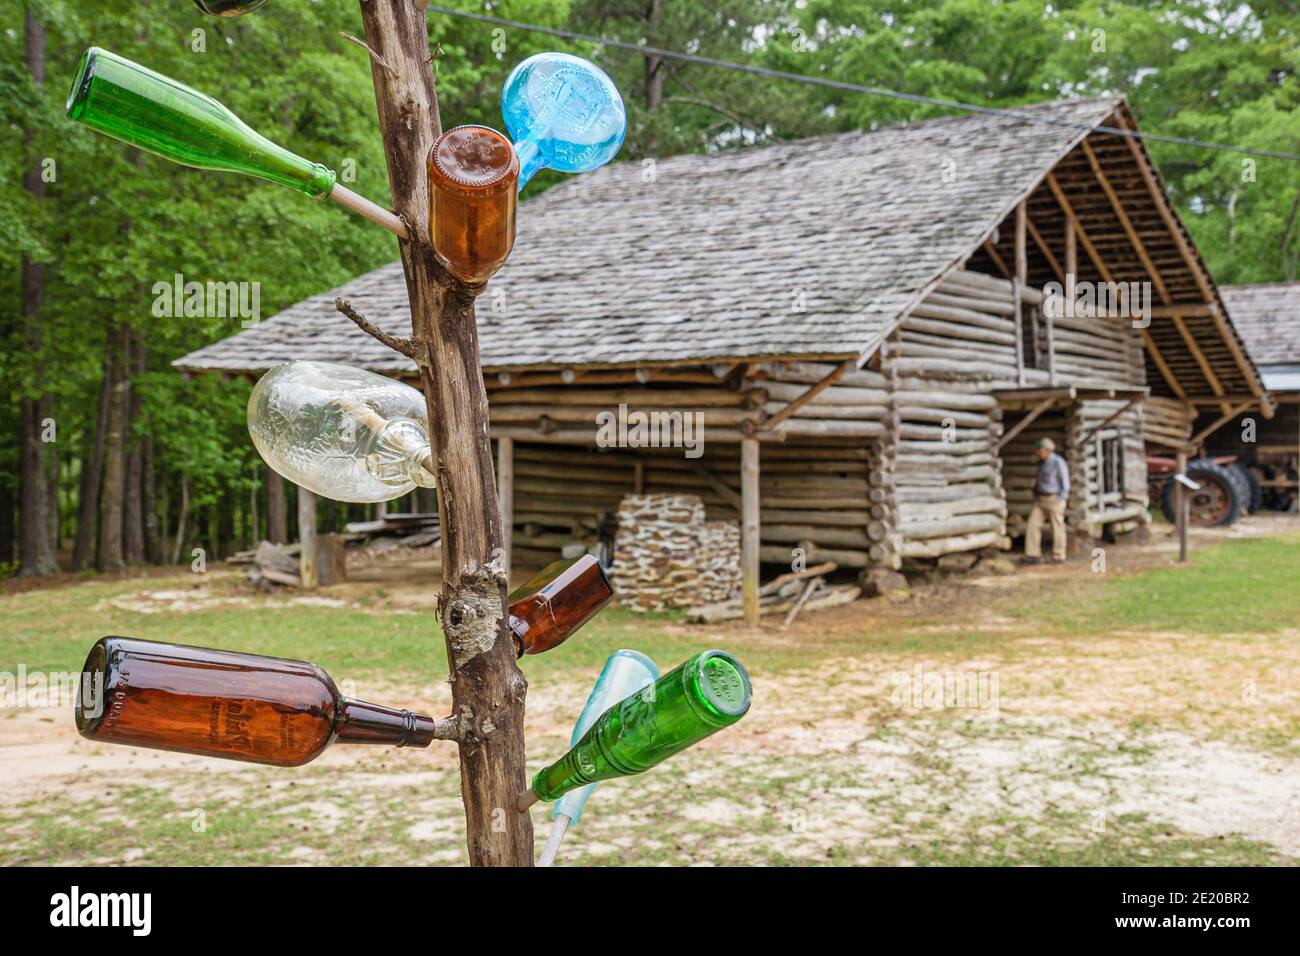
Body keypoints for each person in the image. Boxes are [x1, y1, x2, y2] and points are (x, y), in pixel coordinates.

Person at [1024, 437, 1069, 563]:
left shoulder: (1058, 462)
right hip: (1041, 500)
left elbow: (1065, 483)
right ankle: (1033, 555)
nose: (1037, 453)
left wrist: (1061, 499)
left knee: (1057, 528)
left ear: (1046, 450)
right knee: (1032, 524)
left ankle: (1059, 556)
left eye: (1039, 450)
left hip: (1054, 499)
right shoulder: (1042, 463)